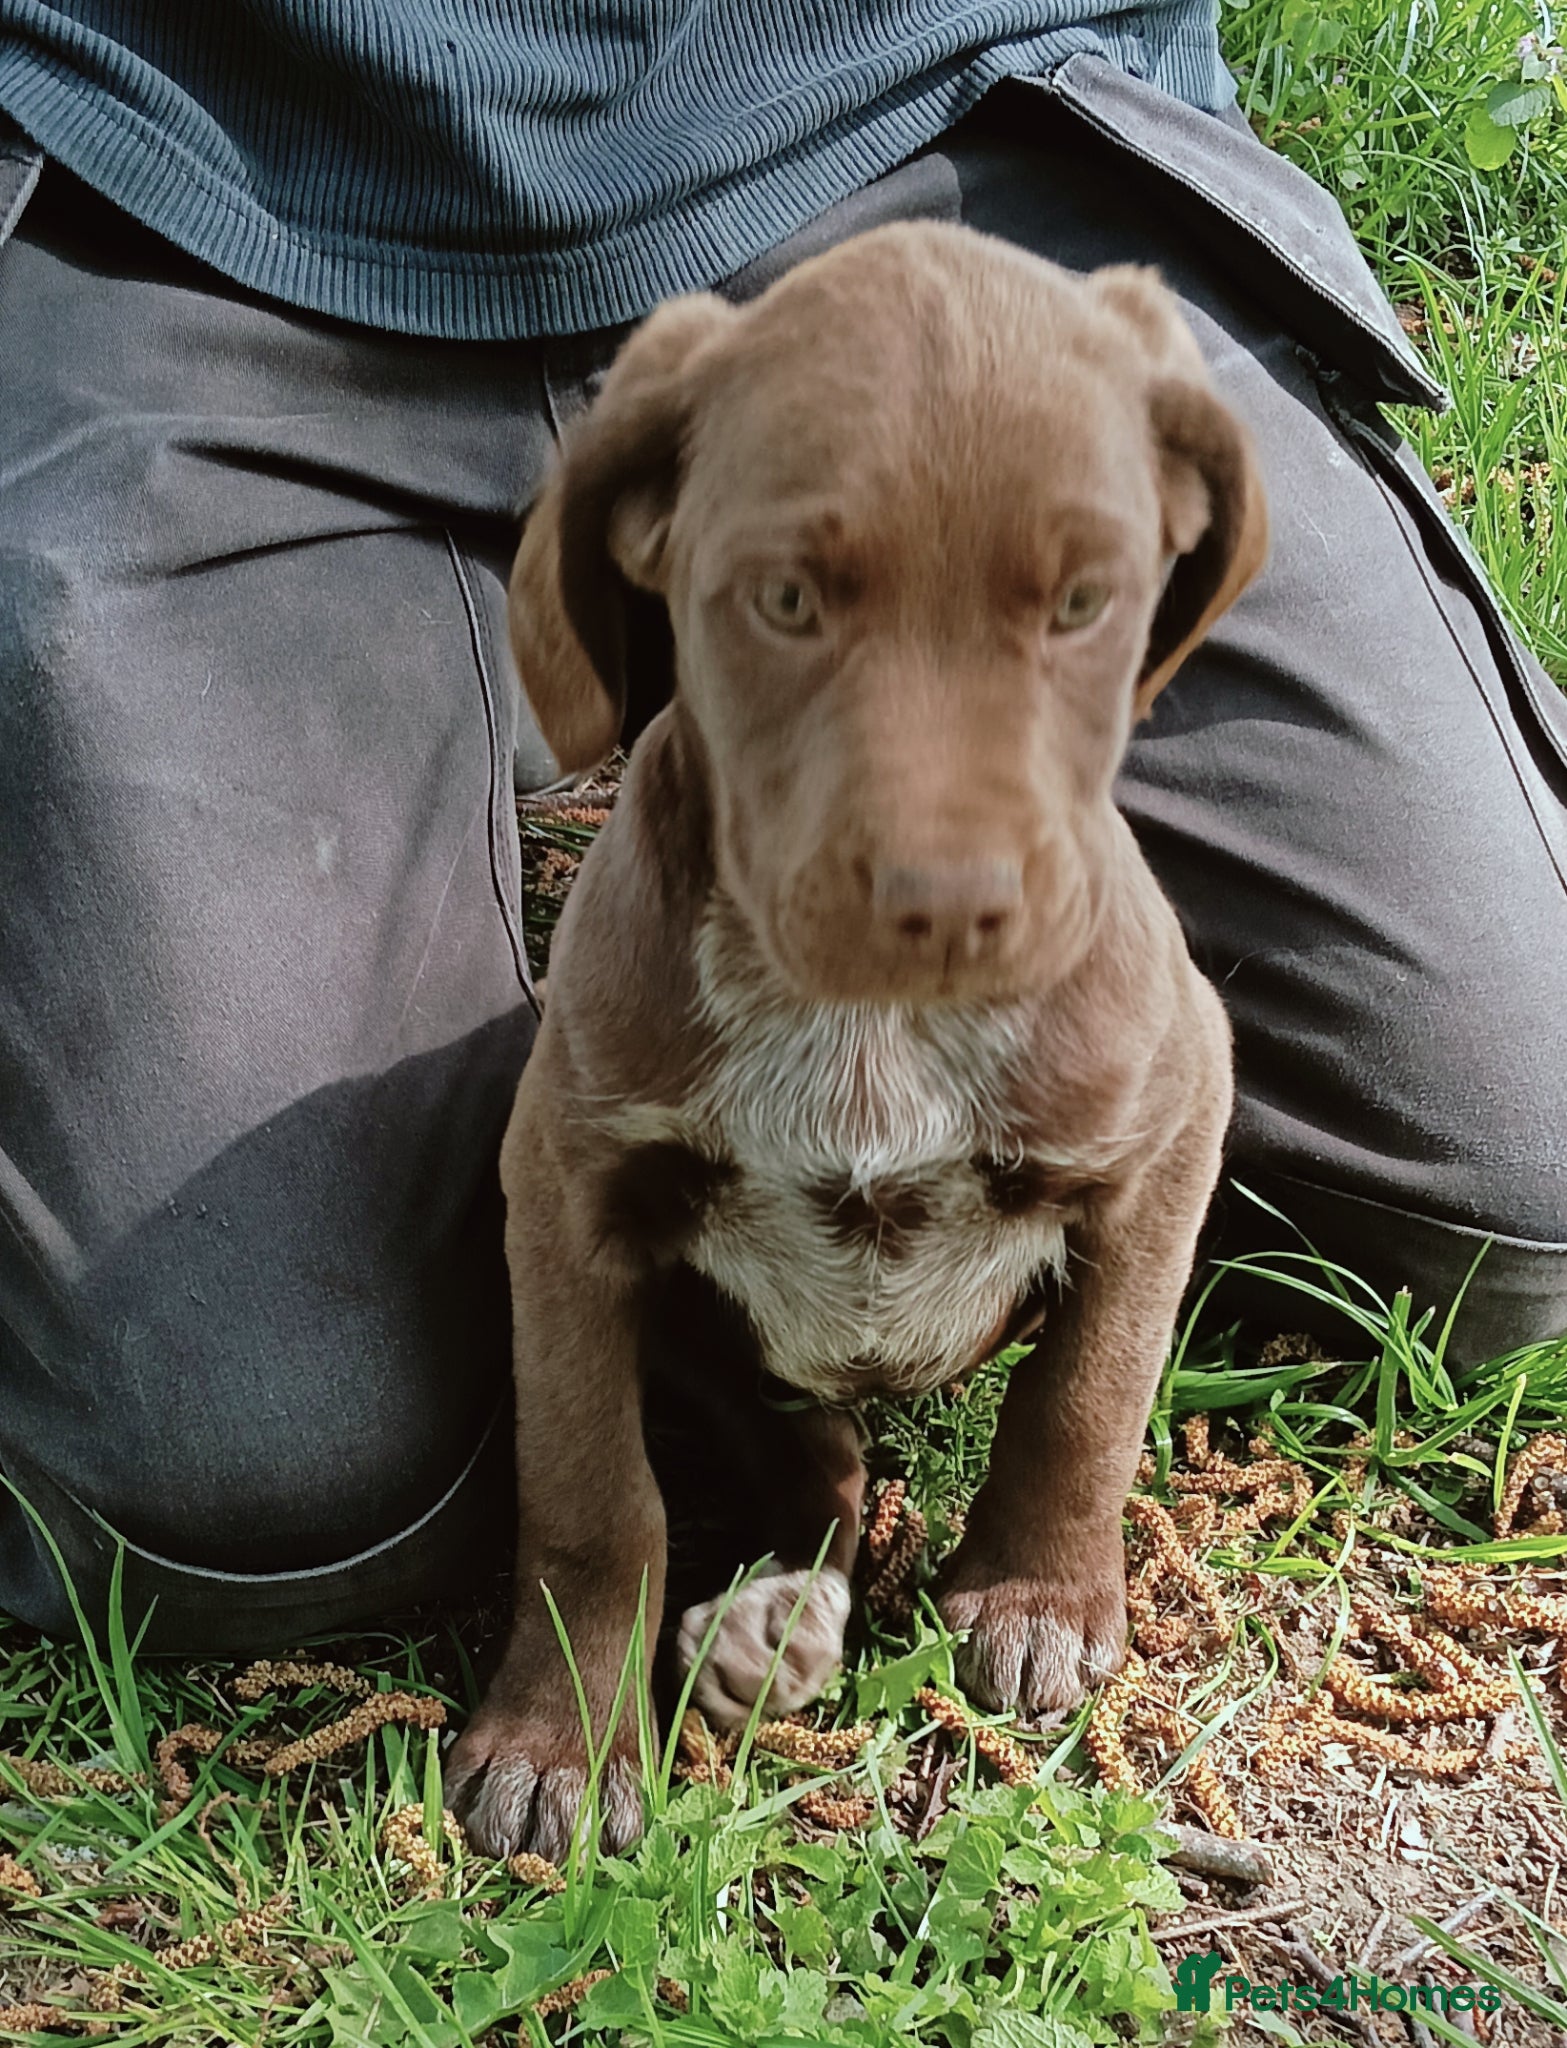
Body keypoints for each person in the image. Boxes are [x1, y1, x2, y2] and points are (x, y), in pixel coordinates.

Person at [2, 4, 1564, 1657]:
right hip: (202, 171)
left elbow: (1172, 1088)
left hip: (936, 112)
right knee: (231, 1464)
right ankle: (446, 664)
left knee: (1528, 1186)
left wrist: (1059, 1493)